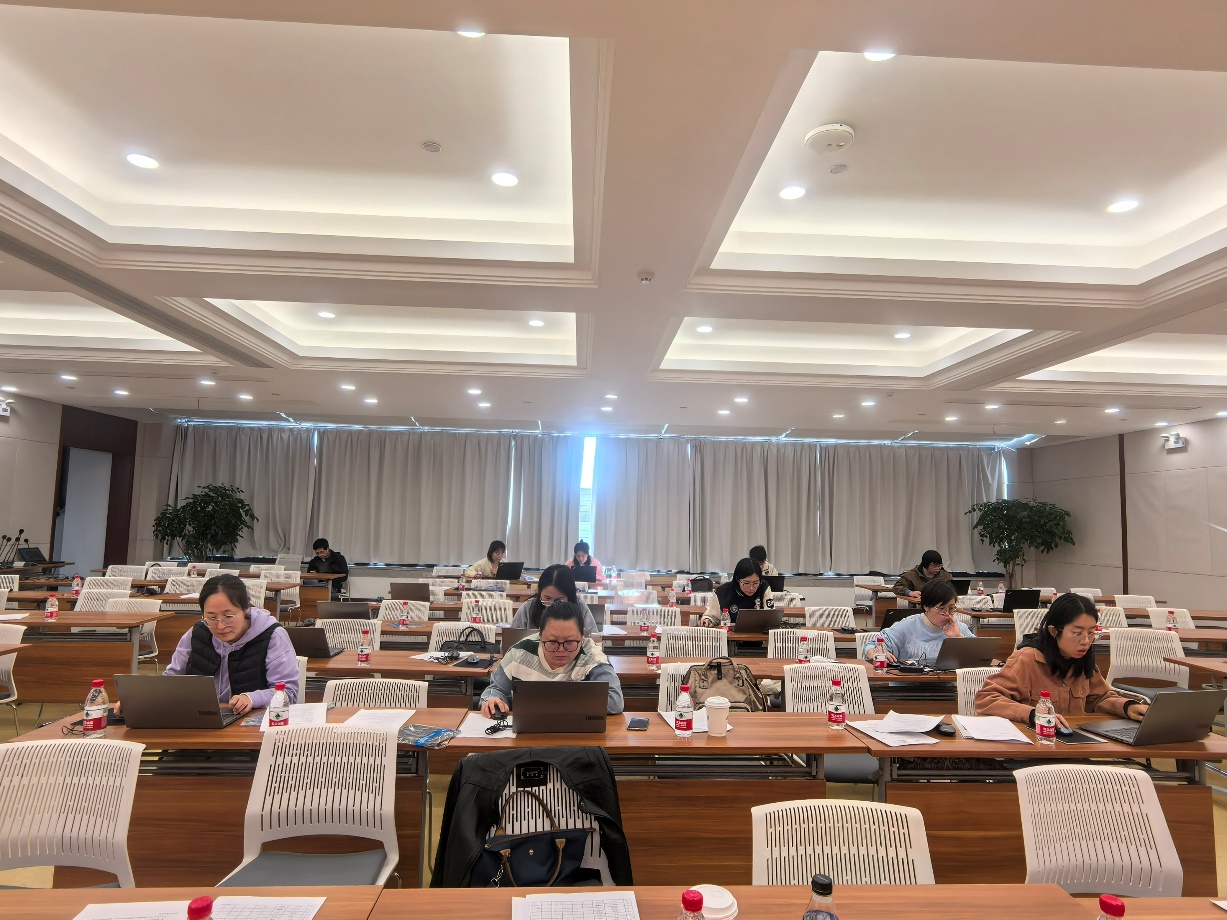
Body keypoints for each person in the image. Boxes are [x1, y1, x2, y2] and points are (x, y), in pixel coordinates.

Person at [975, 593, 1149, 728]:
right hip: (1035, 745)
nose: (1086, 641)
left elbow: (1100, 698)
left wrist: (1127, 706)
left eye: (1091, 633)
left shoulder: (1083, 661)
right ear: (1054, 631)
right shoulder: (1027, 659)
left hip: (1076, 746)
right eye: (1077, 633)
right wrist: (1032, 714)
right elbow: (987, 698)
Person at [163, 574, 300, 714]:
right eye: (211, 618)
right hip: (201, 717)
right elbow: (170, 679)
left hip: (252, 721)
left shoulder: (273, 636)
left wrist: (251, 698)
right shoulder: (197, 633)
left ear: (246, 609)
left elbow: (288, 693)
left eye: (228, 616)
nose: (220, 626)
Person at [480, 600, 624, 717]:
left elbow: (615, 701)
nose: (561, 650)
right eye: (552, 642)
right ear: (540, 634)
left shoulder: (592, 656)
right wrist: (492, 700)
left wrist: (550, 702)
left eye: (570, 642)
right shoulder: (519, 652)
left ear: (583, 635)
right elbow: (495, 689)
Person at [864, 579, 973, 663]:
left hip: (947, 684)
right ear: (926, 607)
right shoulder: (907, 626)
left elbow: (979, 654)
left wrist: (958, 638)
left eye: (952, 608)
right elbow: (871, 646)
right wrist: (877, 654)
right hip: (909, 684)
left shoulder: (957, 627)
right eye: (941, 609)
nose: (948, 614)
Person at [509, 563, 599, 634]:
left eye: (559, 600)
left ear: (569, 596)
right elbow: (511, 640)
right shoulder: (528, 607)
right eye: (547, 598)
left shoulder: (581, 608)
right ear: (540, 592)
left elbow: (593, 642)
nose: (552, 604)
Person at [699, 557, 774, 626]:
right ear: (738, 579)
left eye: (755, 583)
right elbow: (712, 616)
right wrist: (707, 620)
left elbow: (771, 615)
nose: (751, 588)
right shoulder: (722, 592)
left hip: (758, 635)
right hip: (730, 636)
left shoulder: (764, 587)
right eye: (746, 583)